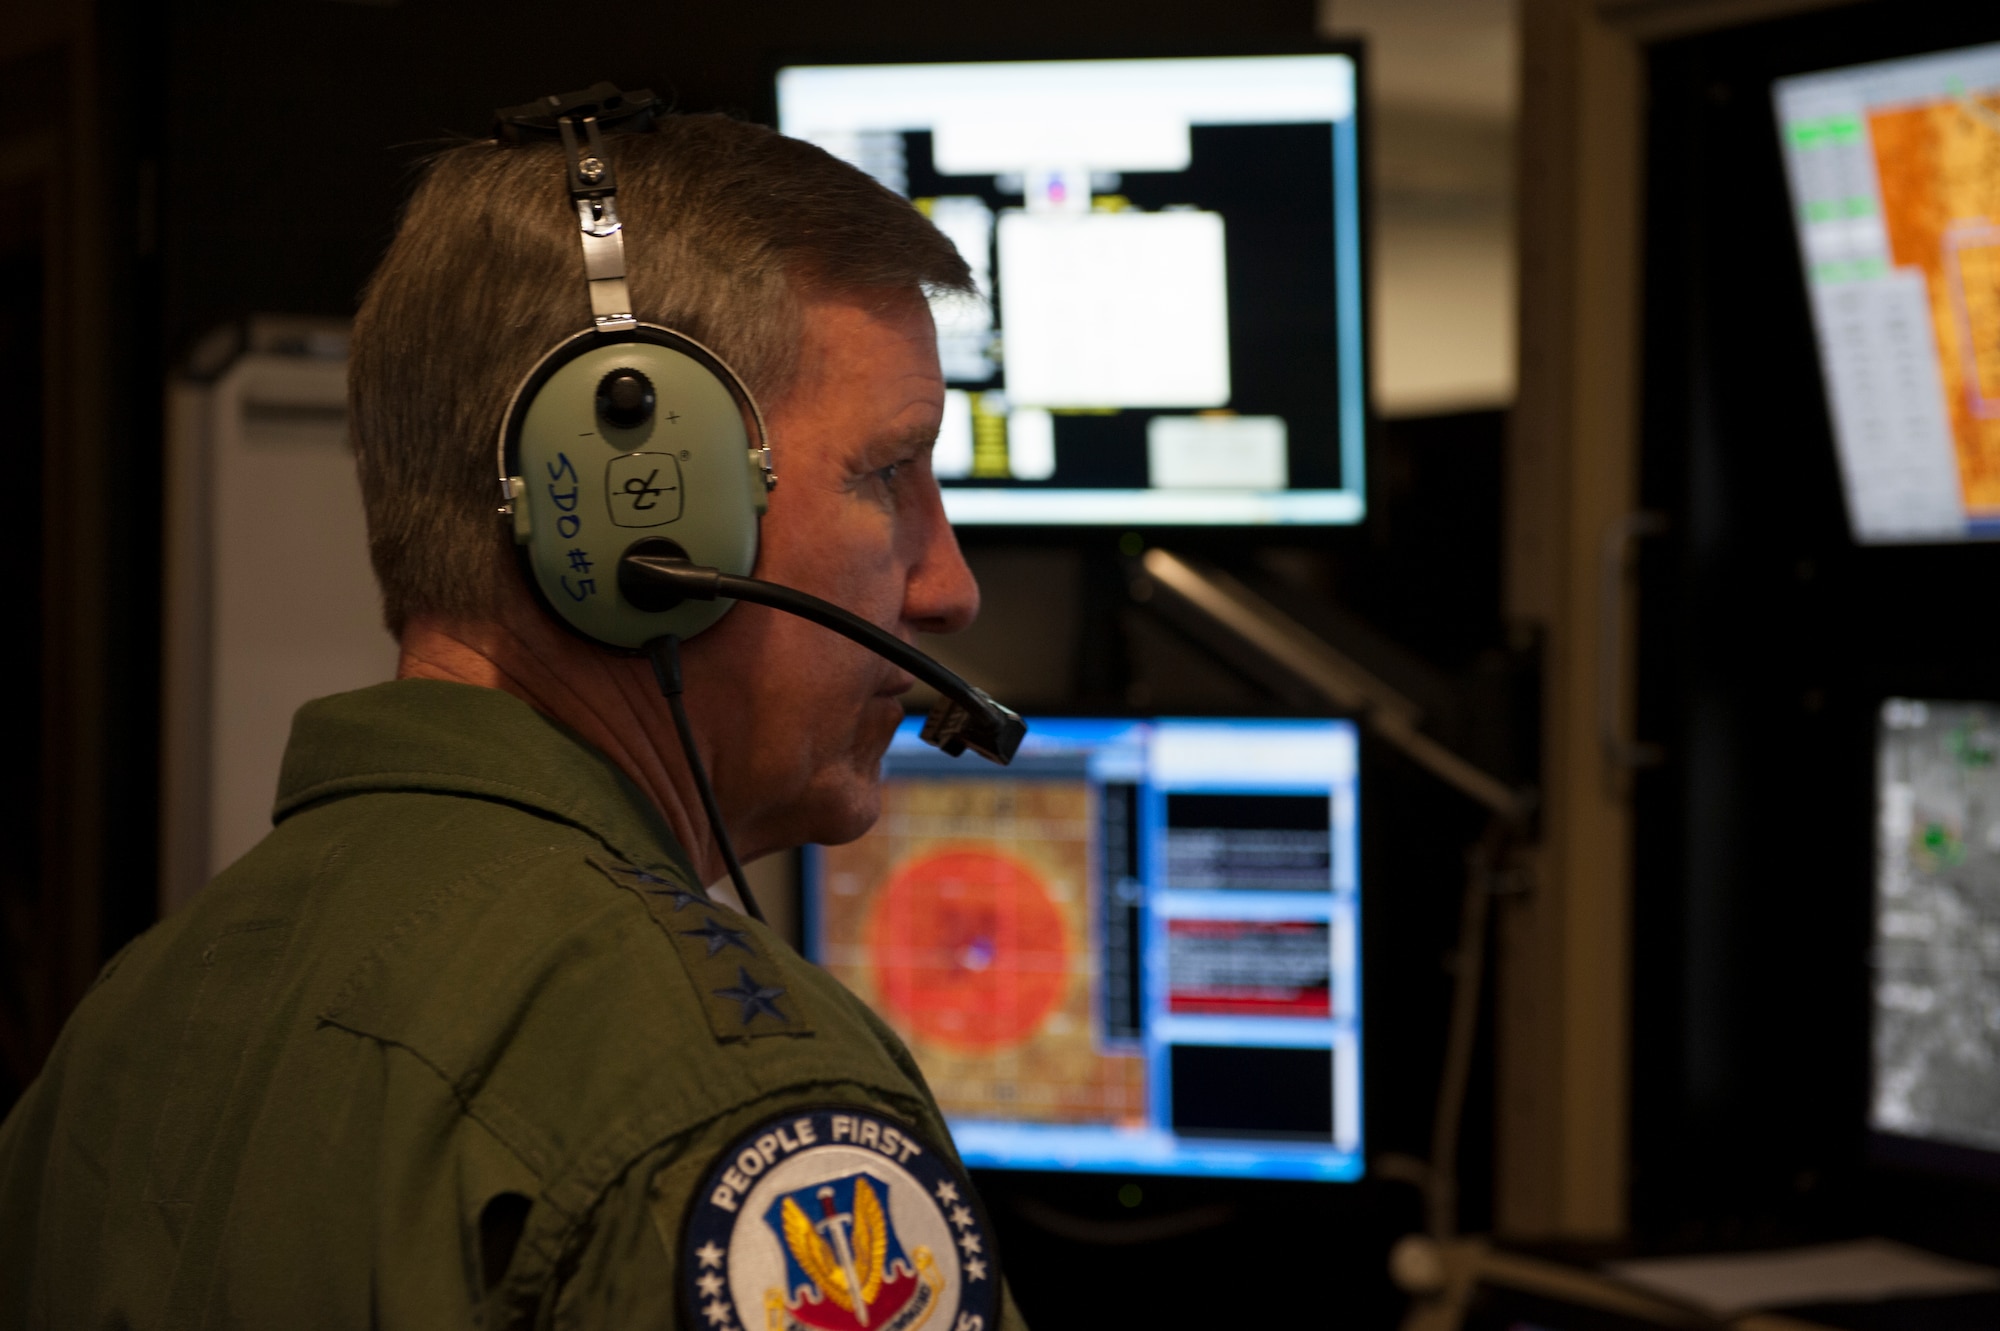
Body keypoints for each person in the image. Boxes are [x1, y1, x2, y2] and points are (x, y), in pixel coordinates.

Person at [0, 106, 1026, 1330]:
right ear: (648, 516)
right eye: (883, 473)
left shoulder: (129, 1017)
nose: (947, 586)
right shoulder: (743, 1098)